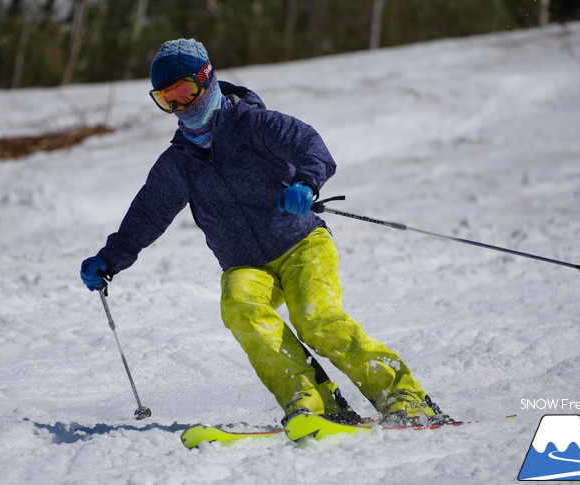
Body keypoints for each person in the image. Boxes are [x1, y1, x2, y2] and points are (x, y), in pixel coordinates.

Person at [80, 38, 452, 427]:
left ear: (207, 80)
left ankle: (405, 396)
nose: (180, 106)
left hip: (302, 244)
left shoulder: (254, 124)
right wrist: (110, 257)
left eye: (185, 92)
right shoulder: (178, 163)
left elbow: (311, 146)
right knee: (239, 306)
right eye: (166, 99)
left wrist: (307, 184)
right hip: (245, 265)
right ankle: (313, 401)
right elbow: (148, 213)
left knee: (316, 319)